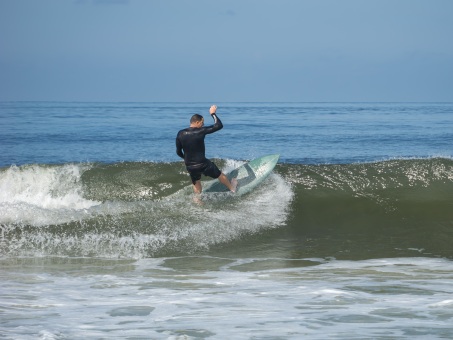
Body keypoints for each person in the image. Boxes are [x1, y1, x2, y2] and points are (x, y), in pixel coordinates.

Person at [176, 105, 237, 195]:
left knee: (196, 183)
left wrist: (185, 159)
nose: (203, 125)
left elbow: (178, 151)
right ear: (197, 122)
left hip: (190, 166)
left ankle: (198, 201)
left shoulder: (180, 134)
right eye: (202, 123)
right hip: (203, 164)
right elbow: (219, 125)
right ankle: (233, 189)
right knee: (220, 175)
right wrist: (213, 113)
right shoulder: (201, 131)